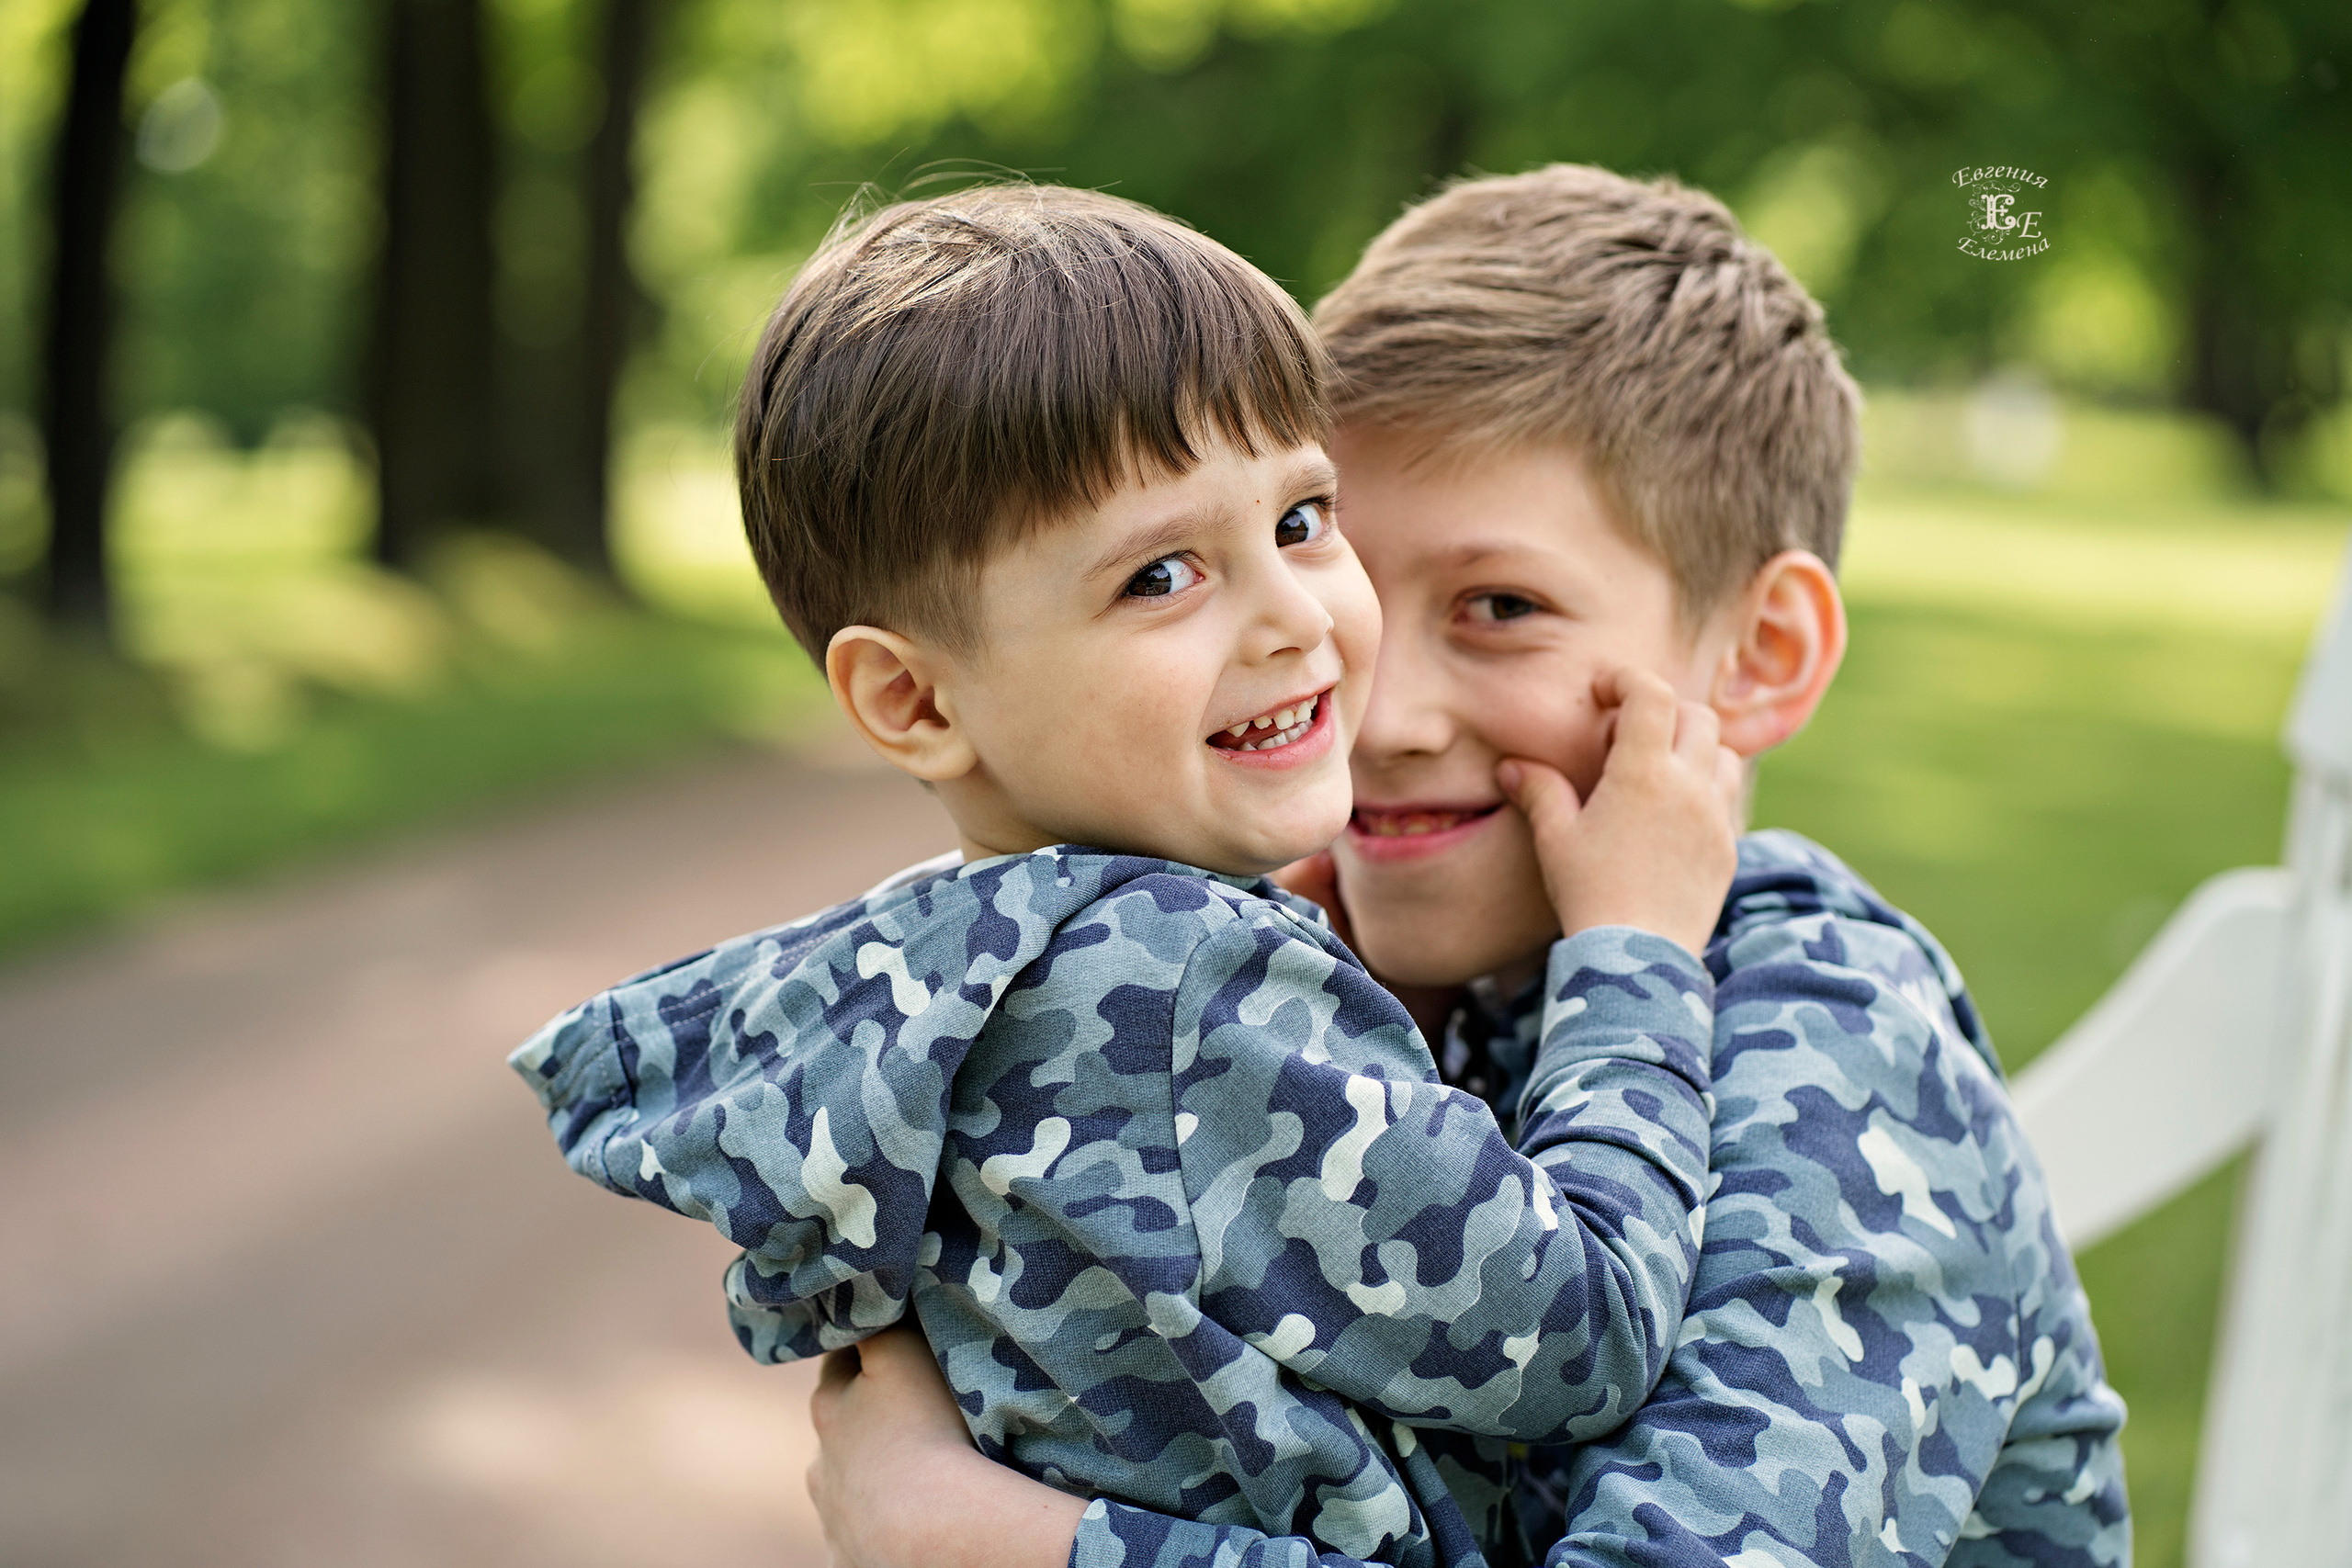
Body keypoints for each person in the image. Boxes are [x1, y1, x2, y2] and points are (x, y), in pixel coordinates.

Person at [798, 167, 2132, 1568]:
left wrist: (991, 1541)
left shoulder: (1831, 1055)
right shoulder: (1306, 1008)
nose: (1371, 703)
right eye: (1334, 558)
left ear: (1761, 655)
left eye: (1502, 610)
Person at [511, 183, 1755, 1568]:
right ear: (915, 703)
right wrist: (1637, 947)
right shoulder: (1183, 995)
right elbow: (1585, 1334)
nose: (1295, 617)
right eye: (1160, 575)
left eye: (1299, 519)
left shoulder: (963, 982)